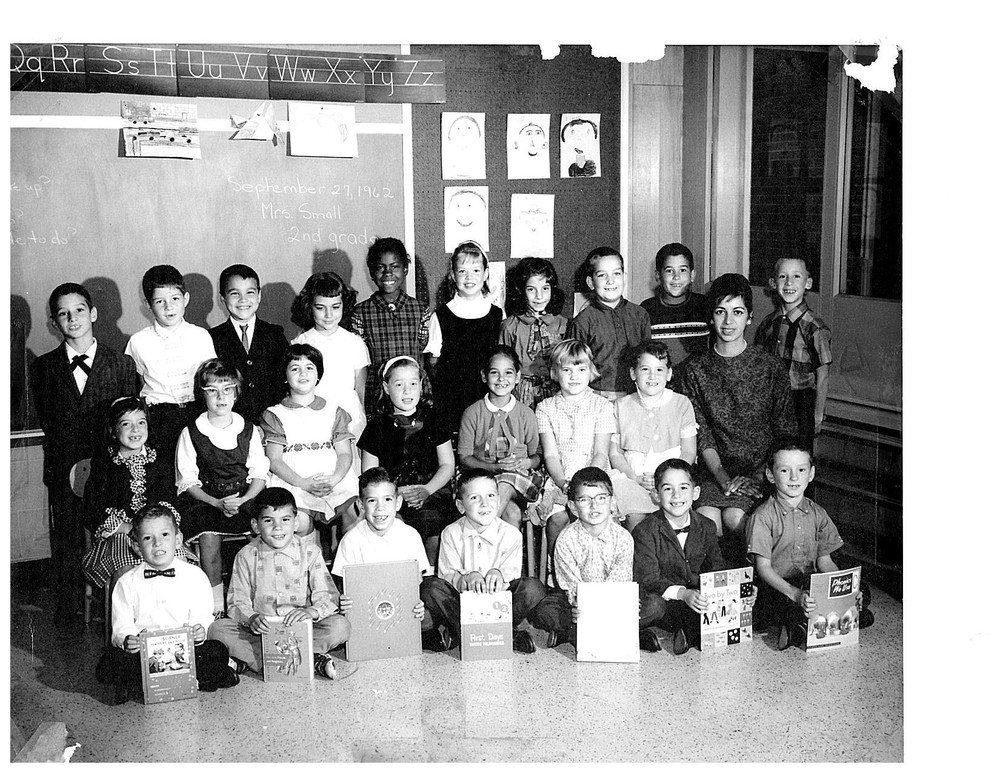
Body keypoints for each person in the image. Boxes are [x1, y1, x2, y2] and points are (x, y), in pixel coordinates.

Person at [29, 282, 138, 618]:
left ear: (93, 313)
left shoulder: (121, 363)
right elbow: (48, 418)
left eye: (78, 310)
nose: (72, 318)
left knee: (111, 531)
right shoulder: (43, 367)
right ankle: (69, 608)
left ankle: (115, 606)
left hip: (109, 466)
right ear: (54, 322)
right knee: (66, 535)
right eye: (63, 314)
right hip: (63, 465)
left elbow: (126, 418)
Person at [676, 273, 796, 554]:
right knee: (708, 520)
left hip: (762, 472)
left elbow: (785, 430)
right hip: (714, 471)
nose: (729, 322)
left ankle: (757, 574)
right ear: (711, 316)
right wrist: (723, 477)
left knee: (735, 518)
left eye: (738, 312)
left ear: (750, 317)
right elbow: (701, 433)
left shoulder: (770, 367)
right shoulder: (694, 369)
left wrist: (759, 475)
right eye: (721, 312)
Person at [96, 503, 239, 704]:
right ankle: (145, 682)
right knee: (114, 661)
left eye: (164, 535)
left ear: (178, 540)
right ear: (136, 547)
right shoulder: (126, 582)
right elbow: (121, 624)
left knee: (216, 650)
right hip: (146, 654)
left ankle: (192, 677)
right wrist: (127, 639)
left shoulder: (195, 575)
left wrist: (199, 630)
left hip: (185, 652)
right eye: (148, 538)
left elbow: (203, 614)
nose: (157, 543)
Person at [208, 488, 353, 679]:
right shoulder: (245, 555)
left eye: (285, 519)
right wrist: (251, 619)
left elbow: (328, 596)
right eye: (269, 521)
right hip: (262, 633)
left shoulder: (310, 552)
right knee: (217, 630)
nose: (278, 528)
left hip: (302, 630)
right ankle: (308, 660)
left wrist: (311, 612)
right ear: (256, 526)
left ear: (295, 522)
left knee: (341, 626)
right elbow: (237, 602)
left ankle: (256, 662)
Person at [745, 439, 874, 651]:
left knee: (862, 589)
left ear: (811, 473)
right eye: (785, 470)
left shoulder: (818, 513)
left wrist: (847, 592)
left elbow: (825, 562)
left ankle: (804, 625)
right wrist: (795, 594)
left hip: (809, 583)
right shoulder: (763, 516)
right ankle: (801, 625)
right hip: (778, 585)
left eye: (801, 470)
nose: (794, 477)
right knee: (775, 603)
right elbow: (763, 568)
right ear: (770, 475)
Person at [427, 470, 572, 654]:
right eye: (474, 498)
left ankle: (500, 630)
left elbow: (512, 573)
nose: (484, 503)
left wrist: (499, 574)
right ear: (460, 506)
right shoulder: (451, 533)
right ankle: (468, 630)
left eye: (491, 496)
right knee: (430, 588)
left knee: (533, 588)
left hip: (500, 602)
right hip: (462, 603)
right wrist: (466, 578)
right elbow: (446, 575)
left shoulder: (511, 534)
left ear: (498, 500)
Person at [175, 359, 269, 615]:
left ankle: (260, 598)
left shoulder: (248, 429)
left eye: (227, 389)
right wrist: (216, 502)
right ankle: (216, 606)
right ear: (202, 394)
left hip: (245, 496)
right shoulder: (191, 432)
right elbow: (187, 480)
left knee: (263, 530)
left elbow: (259, 474)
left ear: (236, 393)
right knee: (208, 536)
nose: (221, 397)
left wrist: (244, 499)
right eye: (212, 390)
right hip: (208, 499)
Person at [332, 467, 455, 652]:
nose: (380, 508)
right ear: (361, 505)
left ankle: (436, 633)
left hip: (403, 608)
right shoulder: (351, 540)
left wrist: (419, 605)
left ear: (398, 503)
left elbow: (420, 582)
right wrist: (344, 603)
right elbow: (344, 588)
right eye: (372, 501)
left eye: (387, 499)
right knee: (343, 625)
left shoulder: (410, 535)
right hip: (369, 611)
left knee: (432, 594)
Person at [81, 397, 198, 590]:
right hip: (120, 535)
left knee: (177, 562)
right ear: (114, 430)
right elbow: (93, 509)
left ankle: (172, 608)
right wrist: (126, 527)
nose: (135, 430)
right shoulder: (104, 464)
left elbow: (171, 500)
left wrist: (155, 527)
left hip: (157, 532)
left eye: (141, 423)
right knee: (126, 570)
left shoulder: (160, 461)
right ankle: (129, 609)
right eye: (126, 424)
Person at [357, 356, 456, 562]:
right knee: (395, 533)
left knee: (436, 535)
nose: (407, 391)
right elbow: (370, 474)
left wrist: (427, 489)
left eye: (412, 384)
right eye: (399, 385)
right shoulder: (376, 427)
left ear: (421, 385)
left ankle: (429, 575)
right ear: (386, 388)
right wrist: (394, 493)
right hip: (391, 498)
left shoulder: (434, 420)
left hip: (432, 491)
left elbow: (447, 465)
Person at [260, 344, 357, 547]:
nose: (303, 373)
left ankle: (346, 560)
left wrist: (334, 479)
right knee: (300, 523)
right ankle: (311, 560)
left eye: (309, 367)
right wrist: (303, 483)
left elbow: (345, 454)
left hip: (333, 480)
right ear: (285, 375)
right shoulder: (275, 414)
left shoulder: (335, 411)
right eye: (295, 368)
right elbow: (274, 460)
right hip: (295, 482)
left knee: (355, 515)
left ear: (318, 374)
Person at [533, 340, 616, 568]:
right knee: (557, 519)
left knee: (601, 518)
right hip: (561, 478)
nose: (574, 376)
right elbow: (551, 455)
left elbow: (600, 453)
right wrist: (562, 482)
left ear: (591, 371)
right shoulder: (545, 408)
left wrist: (585, 484)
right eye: (566, 370)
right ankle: (559, 573)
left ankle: (599, 571)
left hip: (595, 476)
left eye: (581, 369)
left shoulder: (603, 406)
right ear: (555, 372)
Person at [632, 458, 725, 655]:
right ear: (656, 495)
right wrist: (683, 594)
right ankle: (684, 631)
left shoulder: (707, 526)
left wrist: (735, 589)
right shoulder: (644, 531)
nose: (676, 495)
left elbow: (716, 566)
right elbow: (648, 579)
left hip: (696, 596)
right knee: (654, 606)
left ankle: (688, 630)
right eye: (667, 489)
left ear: (696, 492)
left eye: (683, 488)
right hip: (664, 597)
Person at [124, 265, 217, 457]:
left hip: (197, 413)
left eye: (175, 299)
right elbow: (136, 381)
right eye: (160, 301)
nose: (169, 307)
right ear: (148, 305)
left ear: (186, 299)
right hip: (160, 419)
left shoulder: (201, 336)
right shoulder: (138, 341)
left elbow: (211, 379)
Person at [609, 340, 698, 531]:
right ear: (633, 373)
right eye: (645, 369)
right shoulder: (621, 406)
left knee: (671, 518)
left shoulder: (681, 404)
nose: (652, 376)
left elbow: (689, 452)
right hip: (633, 479)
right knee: (635, 518)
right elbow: (615, 453)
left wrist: (668, 479)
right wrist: (634, 478)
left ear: (669, 374)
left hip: (671, 481)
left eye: (659, 370)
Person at [457, 345, 543, 528]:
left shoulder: (526, 413)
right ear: (484, 376)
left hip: (520, 479)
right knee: (512, 513)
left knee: (506, 480)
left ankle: (479, 533)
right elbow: (464, 457)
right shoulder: (472, 412)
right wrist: (493, 467)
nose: (501, 379)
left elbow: (537, 457)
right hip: (482, 476)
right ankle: (494, 544)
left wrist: (526, 462)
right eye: (494, 373)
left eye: (508, 373)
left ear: (518, 377)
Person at [425, 240, 504, 439]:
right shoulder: (441, 316)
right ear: (453, 275)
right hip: (452, 399)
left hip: (487, 396)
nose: (469, 277)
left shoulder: (497, 315)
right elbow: (433, 362)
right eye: (462, 271)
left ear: (485, 274)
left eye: (476, 271)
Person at [753, 258, 833, 451]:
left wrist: (817, 415)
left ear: (808, 283)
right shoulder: (768, 324)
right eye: (783, 276)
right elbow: (758, 366)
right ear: (773, 283)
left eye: (796, 276)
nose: (789, 282)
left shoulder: (814, 327)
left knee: (798, 455)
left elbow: (823, 376)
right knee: (771, 453)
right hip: (771, 401)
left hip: (801, 404)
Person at [551, 467, 634, 649]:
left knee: (653, 606)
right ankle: (577, 631)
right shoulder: (565, 539)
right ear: (573, 507)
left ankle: (575, 634)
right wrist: (579, 605)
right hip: (578, 603)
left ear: (612, 502)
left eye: (601, 498)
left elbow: (619, 582)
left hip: (612, 602)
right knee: (546, 609)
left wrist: (602, 608)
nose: (594, 506)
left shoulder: (623, 538)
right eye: (584, 500)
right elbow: (570, 584)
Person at [349, 237, 432, 419]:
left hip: (413, 395)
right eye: (380, 267)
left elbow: (423, 348)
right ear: (372, 272)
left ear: (405, 269)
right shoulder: (360, 312)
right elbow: (361, 359)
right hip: (378, 396)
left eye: (394, 267)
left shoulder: (420, 310)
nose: (388, 273)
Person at [290, 271, 369, 445]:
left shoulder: (354, 342)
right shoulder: (301, 342)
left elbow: (361, 389)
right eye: (320, 308)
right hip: (313, 416)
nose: (328, 315)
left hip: (349, 417)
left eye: (335, 307)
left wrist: (362, 418)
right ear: (309, 306)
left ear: (343, 305)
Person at [566, 247, 651, 402]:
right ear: (591, 282)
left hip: (637, 395)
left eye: (616, 274)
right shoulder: (582, 322)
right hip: (597, 397)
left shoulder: (640, 315)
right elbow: (573, 368)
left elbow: (648, 359)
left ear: (624, 277)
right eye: (602, 275)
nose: (610, 281)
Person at [209, 264, 288, 425]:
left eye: (250, 292)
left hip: (272, 424)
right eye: (234, 293)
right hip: (229, 425)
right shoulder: (211, 338)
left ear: (259, 295)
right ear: (222, 298)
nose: (243, 300)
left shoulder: (275, 335)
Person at [499, 257, 567, 409]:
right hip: (521, 392)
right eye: (531, 289)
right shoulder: (510, 326)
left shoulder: (563, 325)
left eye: (545, 288)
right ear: (521, 291)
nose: (539, 296)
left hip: (556, 391)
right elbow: (503, 365)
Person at [640, 242, 710, 369]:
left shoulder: (704, 305)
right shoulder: (646, 309)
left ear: (692, 275)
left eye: (682, 270)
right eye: (669, 271)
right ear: (658, 275)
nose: (676, 277)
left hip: (699, 378)